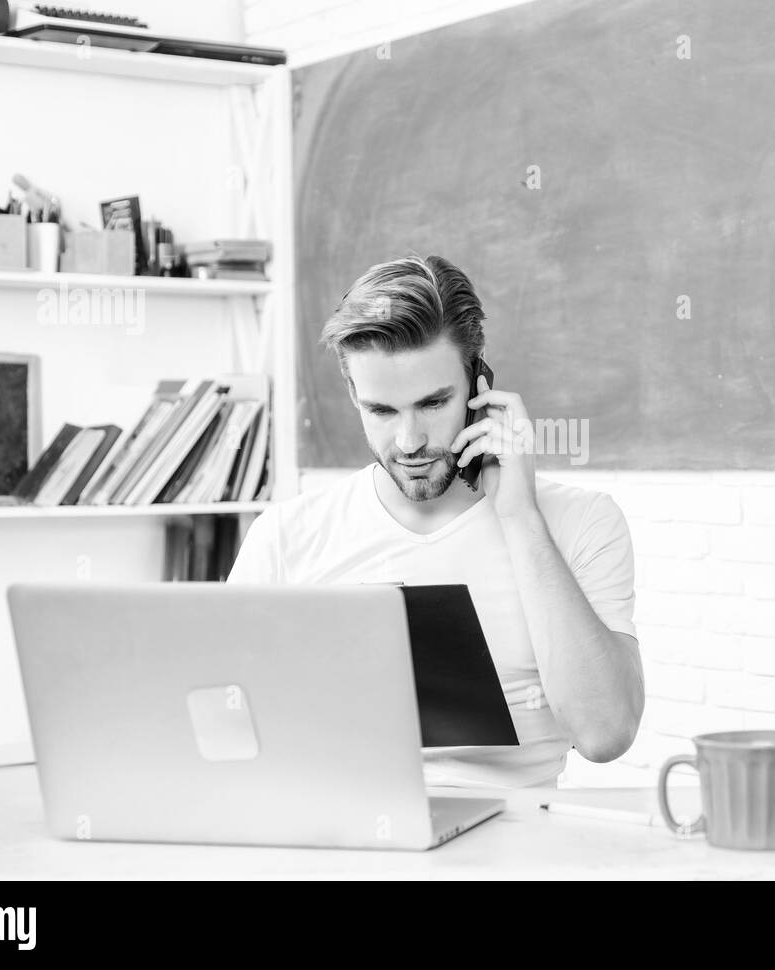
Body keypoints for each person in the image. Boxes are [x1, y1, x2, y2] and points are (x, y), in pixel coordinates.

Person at [227, 254, 643, 788]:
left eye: (433, 403)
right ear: (353, 394)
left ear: (478, 385)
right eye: (381, 411)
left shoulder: (582, 523)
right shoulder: (286, 536)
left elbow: (605, 733)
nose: (409, 441)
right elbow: (228, 722)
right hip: (341, 838)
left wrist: (519, 517)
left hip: (516, 850)